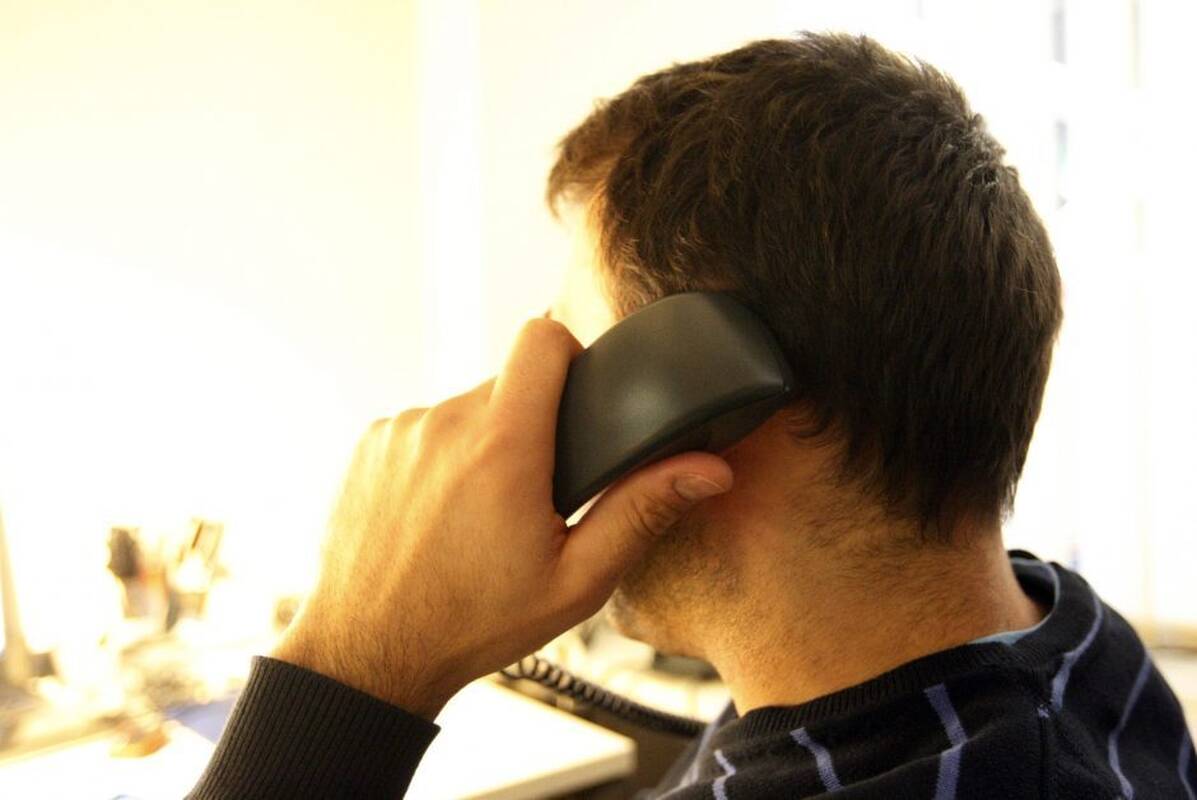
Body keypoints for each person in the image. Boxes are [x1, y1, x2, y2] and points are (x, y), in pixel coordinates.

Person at [189, 33, 1196, 799]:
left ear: (698, 392)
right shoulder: (1071, 638)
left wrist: (357, 658)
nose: (533, 398)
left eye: (573, 350)